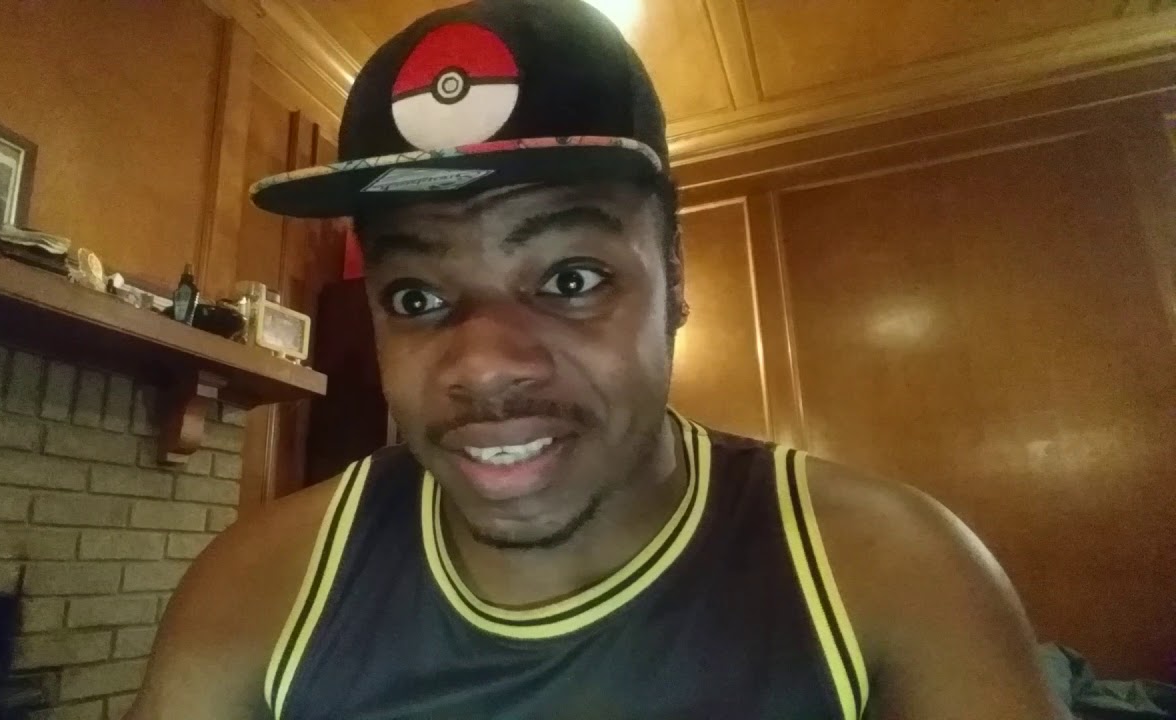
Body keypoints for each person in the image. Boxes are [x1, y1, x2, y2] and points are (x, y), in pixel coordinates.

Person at [130, 1, 1064, 718]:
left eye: (570, 278)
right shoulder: (261, 593)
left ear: (675, 279)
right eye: (416, 297)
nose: (482, 366)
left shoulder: (890, 576)